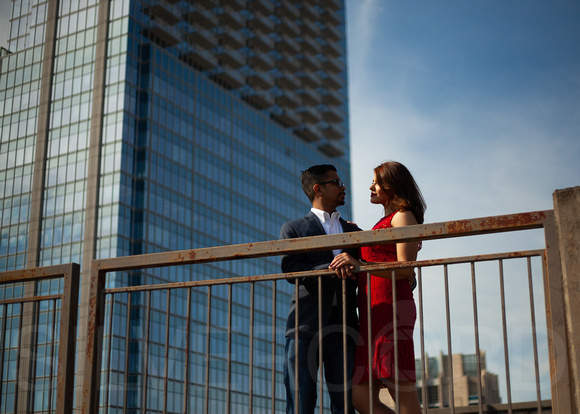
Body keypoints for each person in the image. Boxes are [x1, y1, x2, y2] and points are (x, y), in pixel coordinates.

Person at [330, 161, 426, 414]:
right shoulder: (383, 222)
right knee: (360, 398)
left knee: (401, 393)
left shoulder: (403, 216)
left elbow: (405, 268)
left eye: (377, 181)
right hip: (372, 314)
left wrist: (360, 265)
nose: (371, 187)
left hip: (392, 310)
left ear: (393, 185)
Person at [280, 164, 360, 414]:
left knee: (345, 403)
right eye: (336, 182)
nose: (342, 186)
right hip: (305, 324)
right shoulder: (293, 228)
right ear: (318, 189)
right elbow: (290, 268)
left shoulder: (354, 231)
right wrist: (329, 267)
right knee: (301, 401)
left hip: (345, 325)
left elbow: (365, 266)